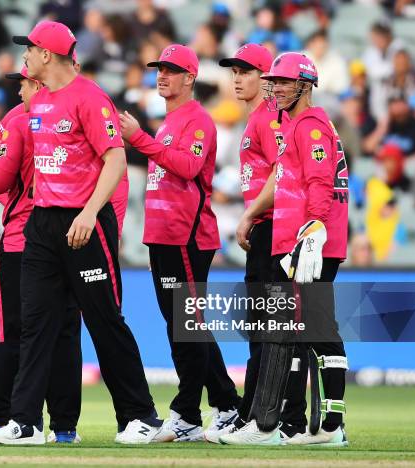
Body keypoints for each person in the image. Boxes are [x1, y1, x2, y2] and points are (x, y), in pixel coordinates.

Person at [0, 21, 161, 445]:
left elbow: (116, 162)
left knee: (104, 320)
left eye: (29, 49)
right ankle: (24, 423)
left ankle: (140, 416)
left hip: (86, 224)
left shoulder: (90, 97)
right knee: (36, 324)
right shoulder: (38, 102)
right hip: (43, 225)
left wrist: (89, 213)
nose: (24, 56)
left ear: (47, 54)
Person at [220, 52, 349, 447]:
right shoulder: (296, 123)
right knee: (312, 331)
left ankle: (269, 425)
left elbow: (320, 183)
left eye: (284, 82)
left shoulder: (309, 125)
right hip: (304, 239)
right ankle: (326, 427)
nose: (275, 88)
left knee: (291, 330)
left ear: (305, 86)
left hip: (309, 241)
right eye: (273, 81)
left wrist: (312, 230)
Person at [119, 44, 241, 442]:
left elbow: (187, 168)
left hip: (188, 238)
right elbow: (162, 185)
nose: (162, 76)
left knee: (186, 328)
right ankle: (226, 404)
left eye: (171, 70)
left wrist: (140, 139)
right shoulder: (170, 123)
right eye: (159, 70)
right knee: (186, 328)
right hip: (167, 239)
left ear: (190, 77)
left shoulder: (197, 121)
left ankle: (187, 412)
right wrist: (154, 239)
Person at [0, 66, 83, 444]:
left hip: (22, 242)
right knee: (64, 334)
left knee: (8, 332)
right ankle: (65, 428)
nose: (18, 92)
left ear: (36, 82)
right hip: (69, 239)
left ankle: (0, 420)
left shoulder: (18, 121)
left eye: (21, 83)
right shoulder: (77, 112)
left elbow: (0, 181)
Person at [212, 43, 308, 442]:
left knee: (274, 327)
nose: (238, 79)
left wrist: (250, 215)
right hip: (267, 226)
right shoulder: (259, 118)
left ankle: (280, 417)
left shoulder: (270, 120)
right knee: (263, 326)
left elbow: (282, 173)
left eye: (247, 72)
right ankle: (257, 412)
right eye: (234, 72)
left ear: (266, 78)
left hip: (274, 227)